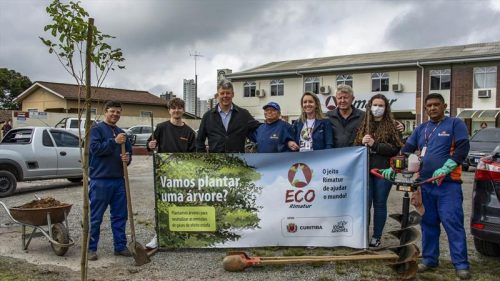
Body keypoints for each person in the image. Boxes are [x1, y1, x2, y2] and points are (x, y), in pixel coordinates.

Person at [381, 93, 471, 280]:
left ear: (444, 106)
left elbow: (463, 148)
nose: (432, 108)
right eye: (429, 105)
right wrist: (394, 167)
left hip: (448, 184)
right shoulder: (421, 128)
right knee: (429, 224)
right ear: (425, 108)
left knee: (452, 222)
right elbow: (406, 150)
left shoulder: (455, 124)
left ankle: (461, 264)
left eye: (436, 105)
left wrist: (448, 167)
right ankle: (430, 259)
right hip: (425, 184)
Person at [145, 97, 196, 249]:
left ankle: (180, 235)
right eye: (173, 108)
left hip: (182, 176)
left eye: (179, 108)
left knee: (182, 204)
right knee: (161, 205)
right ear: (169, 110)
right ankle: (159, 235)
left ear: (183, 110)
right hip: (163, 175)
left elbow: (194, 156)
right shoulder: (161, 128)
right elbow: (149, 145)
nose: (176, 110)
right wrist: (150, 144)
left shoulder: (189, 132)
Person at [354, 94, 402, 247]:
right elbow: (354, 145)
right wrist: (360, 142)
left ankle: (376, 236)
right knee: (365, 204)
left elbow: (395, 148)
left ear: (386, 108)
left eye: (381, 105)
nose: (377, 108)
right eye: (375, 105)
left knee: (380, 204)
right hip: (365, 171)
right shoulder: (364, 124)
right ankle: (363, 234)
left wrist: (375, 145)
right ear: (370, 106)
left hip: (383, 171)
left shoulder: (393, 126)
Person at [88, 101, 133, 261]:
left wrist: (126, 158)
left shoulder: (122, 133)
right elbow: (95, 149)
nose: (115, 114)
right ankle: (91, 248)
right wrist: (114, 142)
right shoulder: (96, 130)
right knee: (95, 216)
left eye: (118, 112)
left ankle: (120, 246)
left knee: (120, 215)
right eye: (112, 111)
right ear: (105, 112)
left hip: (118, 180)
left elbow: (128, 154)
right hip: (100, 180)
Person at [327, 84, 405, 148]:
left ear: (352, 99)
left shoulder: (364, 116)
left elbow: (382, 122)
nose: (342, 100)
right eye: (339, 98)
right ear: (335, 99)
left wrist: (400, 125)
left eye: (346, 97)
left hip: (356, 157)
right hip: (335, 157)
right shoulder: (328, 117)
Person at [196, 79, 260, 153]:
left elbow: (259, 129)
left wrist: (274, 124)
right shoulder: (207, 116)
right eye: (222, 93)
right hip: (215, 162)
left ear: (233, 94)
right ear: (217, 95)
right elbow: (199, 141)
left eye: (228, 93)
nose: (225, 96)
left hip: (237, 161)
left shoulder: (243, 114)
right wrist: (203, 160)